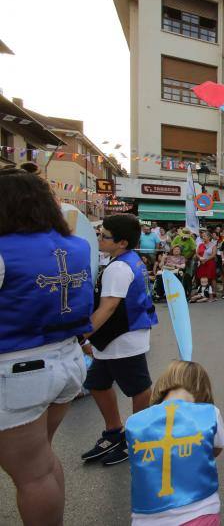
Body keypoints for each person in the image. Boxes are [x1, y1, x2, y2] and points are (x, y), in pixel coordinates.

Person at [0, 167, 93, 525]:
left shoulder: (5, 250)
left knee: (32, 473)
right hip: (67, 360)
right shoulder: (78, 246)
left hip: (19, 368)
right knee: (41, 462)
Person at [82, 214, 159, 466]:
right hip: (117, 336)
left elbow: (108, 308)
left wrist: (82, 334)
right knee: (97, 383)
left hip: (123, 338)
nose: (99, 239)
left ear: (122, 242)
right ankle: (114, 431)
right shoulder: (127, 259)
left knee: (139, 389)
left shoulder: (119, 267)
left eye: (104, 236)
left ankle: (137, 437)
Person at [126, 360, 224, 526]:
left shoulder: (134, 422)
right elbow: (216, 448)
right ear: (203, 389)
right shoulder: (209, 414)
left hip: (145, 518)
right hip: (199, 511)